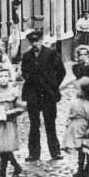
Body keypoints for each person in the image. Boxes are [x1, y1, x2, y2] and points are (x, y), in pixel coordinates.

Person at [21, 29, 66, 162]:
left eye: (37, 41)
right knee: (34, 124)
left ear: (41, 40)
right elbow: (24, 72)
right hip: (33, 93)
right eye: (32, 41)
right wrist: (30, 80)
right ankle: (33, 153)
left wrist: (53, 85)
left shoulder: (51, 53)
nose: (35, 44)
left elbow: (61, 71)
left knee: (50, 123)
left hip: (48, 94)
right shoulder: (26, 56)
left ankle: (55, 152)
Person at [62, 76, 89, 177]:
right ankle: (80, 168)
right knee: (80, 149)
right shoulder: (75, 102)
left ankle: (88, 169)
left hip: (88, 129)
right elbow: (70, 113)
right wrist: (68, 123)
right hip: (77, 129)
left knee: (88, 149)